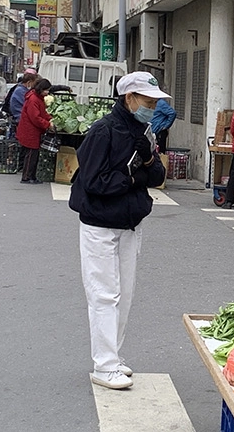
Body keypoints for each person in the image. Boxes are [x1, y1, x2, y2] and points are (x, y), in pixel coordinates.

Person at [68, 72, 169, 390]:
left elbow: (157, 174)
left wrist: (148, 158)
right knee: (103, 295)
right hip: (99, 224)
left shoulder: (145, 131)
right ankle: (104, 365)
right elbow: (95, 182)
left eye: (154, 102)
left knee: (124, 295)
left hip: (130, 224)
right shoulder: (103, 131)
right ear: (129, 99)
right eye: (148, 101)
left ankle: (113, 356)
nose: (152, 107)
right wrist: (134, 178)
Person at [16, 79, 53, 184]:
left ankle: (31, 176)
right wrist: (47, 124)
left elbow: (42, 113)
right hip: (30, 130)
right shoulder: (33, 99)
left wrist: (50, 118)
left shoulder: (37, 98)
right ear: (41, 89)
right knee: (31, 154)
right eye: (46, 90)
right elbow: (35, 118)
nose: (47, 93)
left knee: (34, 155)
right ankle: (27, 177)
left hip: (33, 130)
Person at [4, 72, 37, 139]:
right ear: (29, 82)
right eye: (33, 83)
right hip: (20, 117)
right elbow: (28, 105)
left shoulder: (21, 89)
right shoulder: (21, 91)